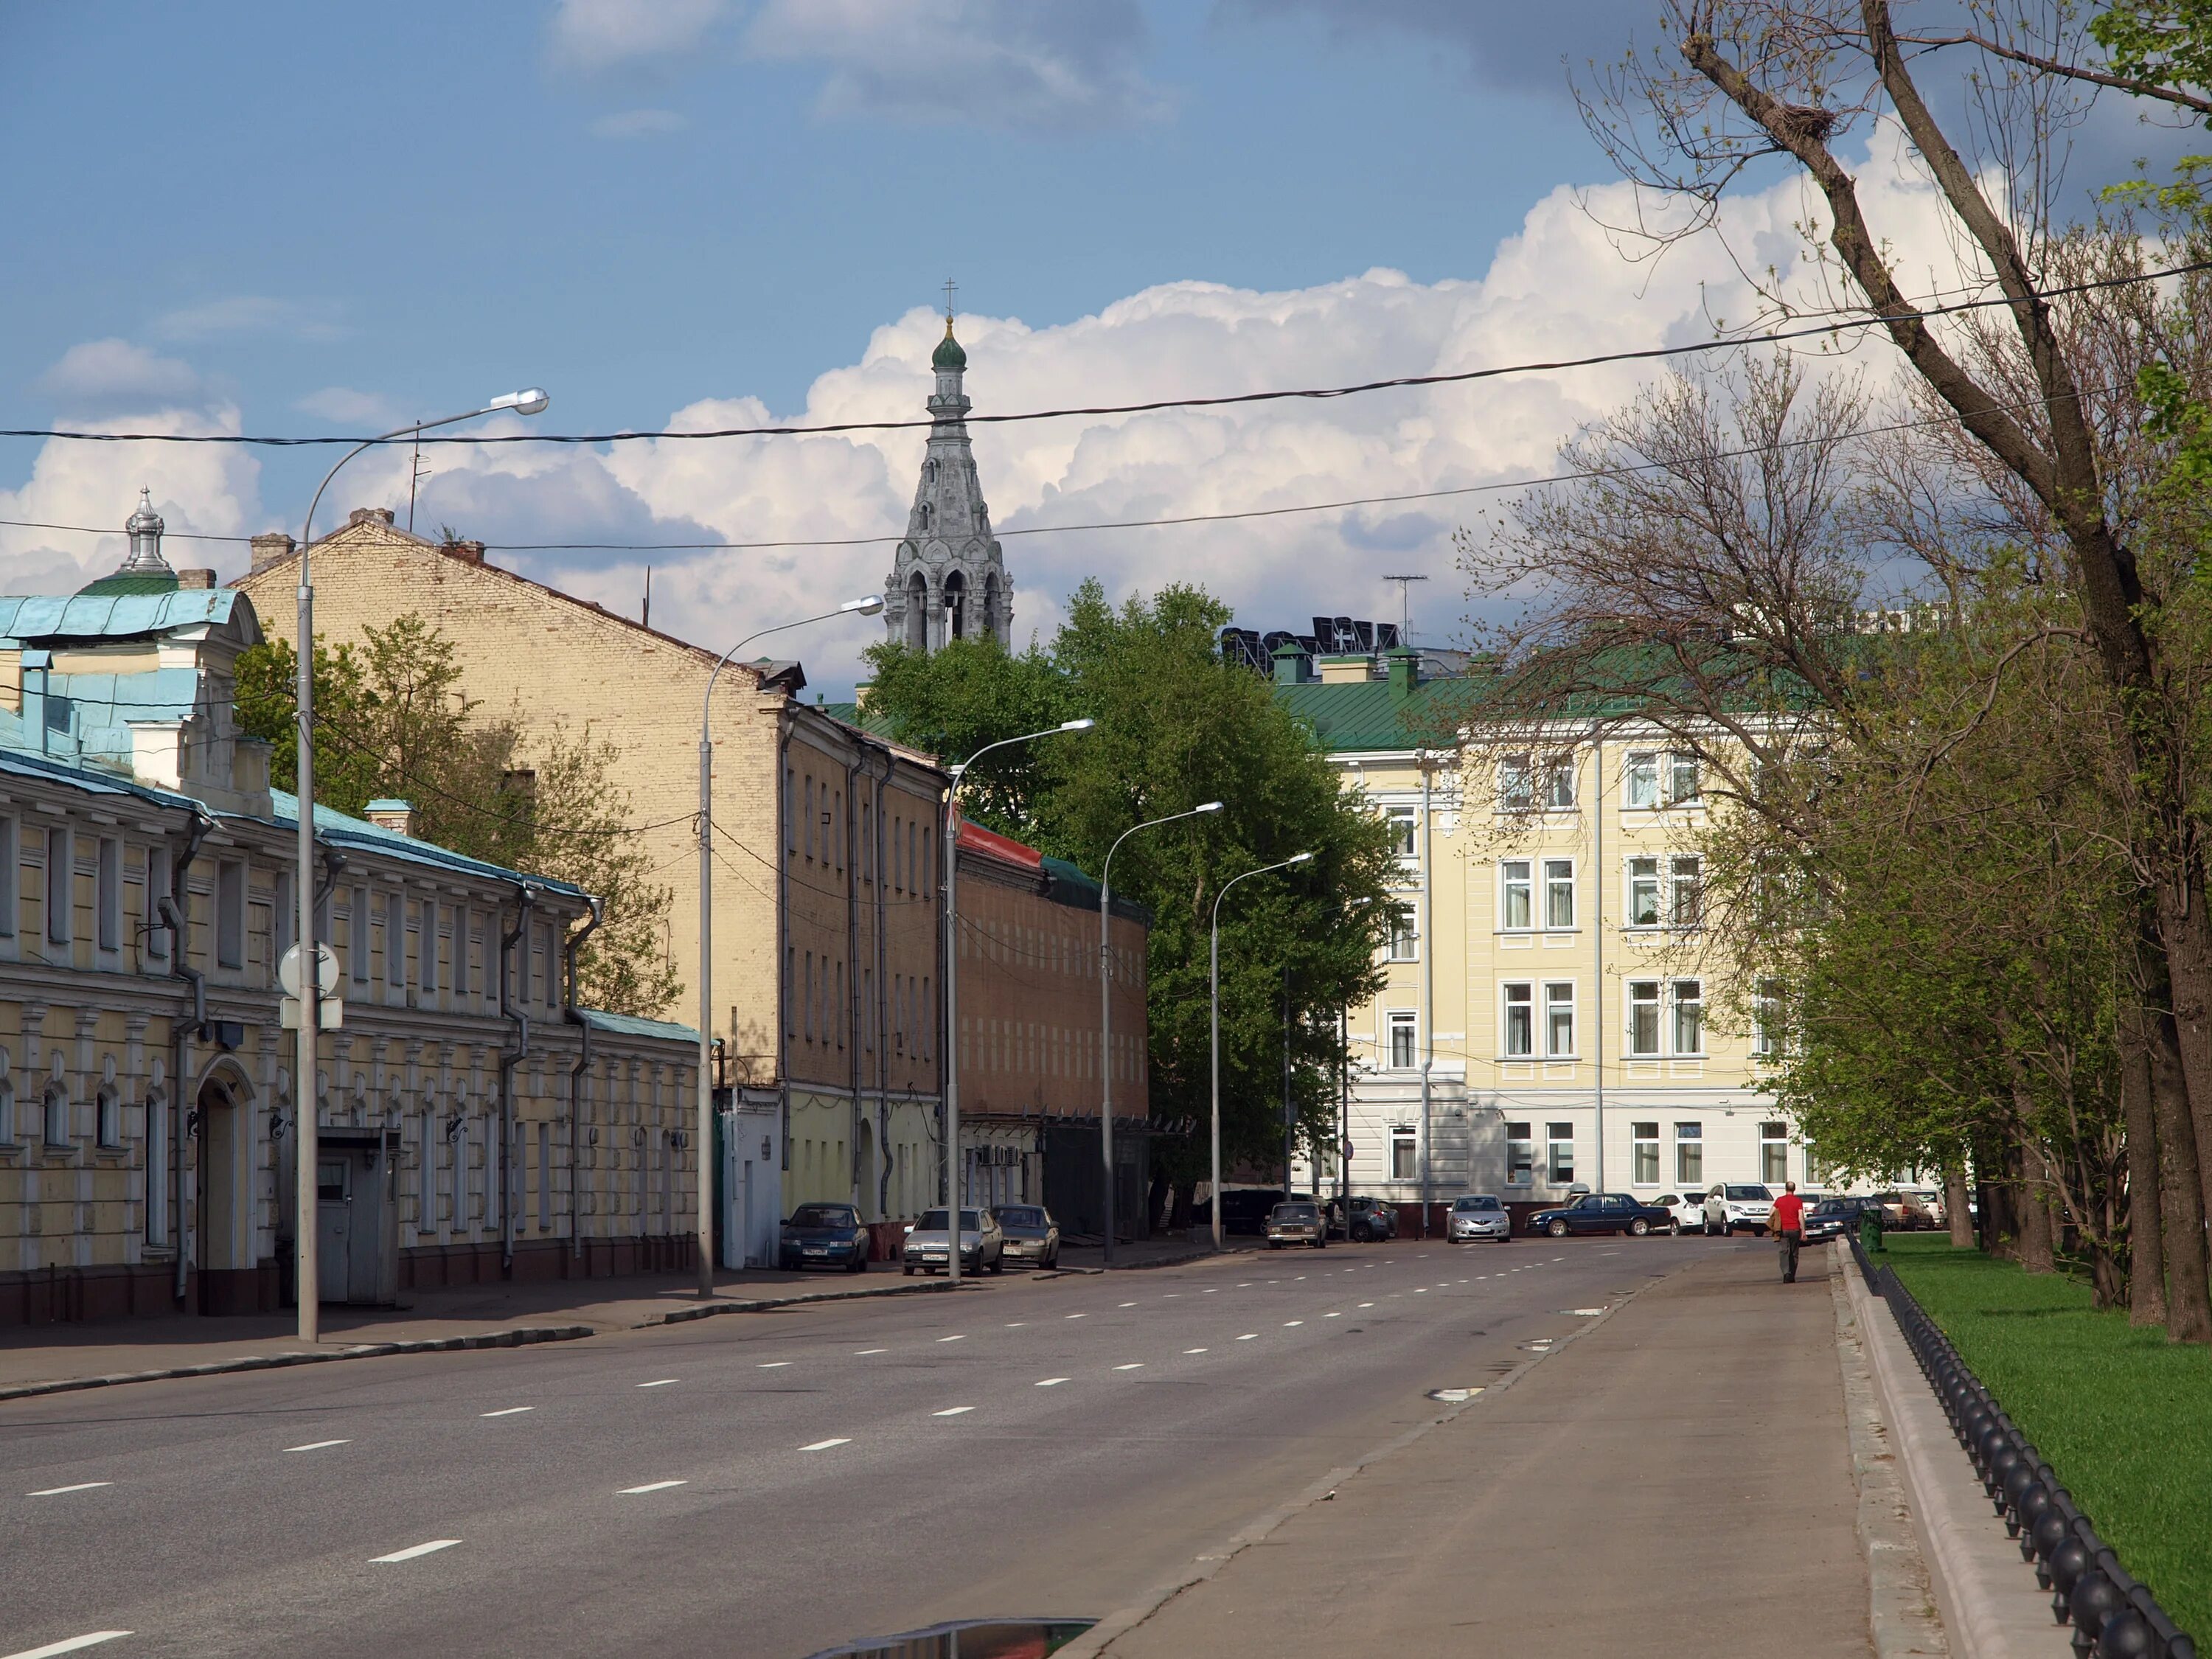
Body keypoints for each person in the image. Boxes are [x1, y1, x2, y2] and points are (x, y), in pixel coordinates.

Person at [1770, 1180, 1806, 1282]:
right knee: (1794, 1253)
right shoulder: (1798, 1201)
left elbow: (1771, 1213)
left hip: (1783, 1229)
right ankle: (1792, 1274)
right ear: (1794, 1189)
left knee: (1784, 1252)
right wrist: (1803, 1231)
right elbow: (1801, 1217)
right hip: (1795, 1229)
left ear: (1786, 1189)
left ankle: (1786, 1273)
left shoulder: (1779, 1200)